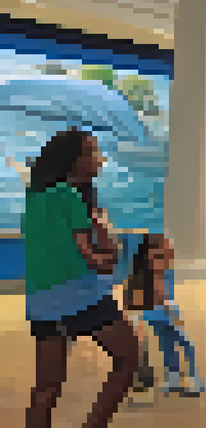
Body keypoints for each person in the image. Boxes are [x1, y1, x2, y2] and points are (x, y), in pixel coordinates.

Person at [24, 128, 141, 428]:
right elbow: (96, 259)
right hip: (79, 295)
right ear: (73, 160)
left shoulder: (34, 198)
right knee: (129, 358)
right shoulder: (69, 196)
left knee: (46, 387)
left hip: (41, 301)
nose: (98, 159)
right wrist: (108, 238)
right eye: (91, 152)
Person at [122, 233, 204, 395]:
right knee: (179, 344)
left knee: (172, 344)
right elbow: (156, 292)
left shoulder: (157, 269)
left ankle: (181, 378)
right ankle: (188, 378)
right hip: (160, 311)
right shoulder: (151, 269)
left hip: (160, 310)